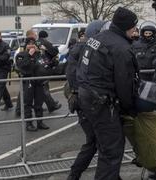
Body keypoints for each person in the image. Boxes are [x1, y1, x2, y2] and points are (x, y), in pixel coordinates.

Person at [76, 7, 139, 180]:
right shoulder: (121, 48)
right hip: (103, 102)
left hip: (87, 98)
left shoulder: (96, 39)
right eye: (133, 27)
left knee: (105, 146)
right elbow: (124, 84)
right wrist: (130, 108)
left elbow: (81, 68)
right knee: (112, 150)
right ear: (126, 26)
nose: (135, 31)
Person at [66, 19, 110, 180]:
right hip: (87, 102)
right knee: (95, 142)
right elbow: (74, 77)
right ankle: (74, 174)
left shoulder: (83, 49)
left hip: (86, 101)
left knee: (99, 142)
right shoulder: (84, 50)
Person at [15, 30, 52, 131]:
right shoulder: (21, 55)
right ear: (26, 45)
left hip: (39, 81)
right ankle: (29, 123)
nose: (32, 46)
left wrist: (48, 59)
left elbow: (46, 64)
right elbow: (23, 66)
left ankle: (40, 122)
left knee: (39, 102)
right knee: (28, 102)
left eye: (33, 44)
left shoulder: (39, 54)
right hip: (28, 81)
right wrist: (29, 55)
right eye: (29, 44)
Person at [37, 30, 62, 113]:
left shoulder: (36, 42)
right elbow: (54, 52)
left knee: (41, 87)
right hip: (44, 67)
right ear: (45, 36)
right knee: (44, 87)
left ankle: (39, 105)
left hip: (37, 67)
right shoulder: (46, 43)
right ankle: (51, 105)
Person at [0, 31, 13, 114]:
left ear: (0, 37)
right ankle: (8, 103)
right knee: (2, 87)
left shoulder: (5, 46)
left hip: (3, 69)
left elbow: (4, 58)